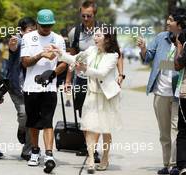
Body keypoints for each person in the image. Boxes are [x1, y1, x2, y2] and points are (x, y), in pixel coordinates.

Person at [51, 27, 122, 174]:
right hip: (92, 94)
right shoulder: (91, 50)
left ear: (107, 38)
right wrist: (61, 54)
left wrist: (84, 68)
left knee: (105, 129)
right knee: (89, 127)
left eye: (98, 35)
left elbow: (101, 73)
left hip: (106, 96)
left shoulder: (113, 55)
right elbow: (75, 58)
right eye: (94, 35)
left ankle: (105, 158)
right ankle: (90, 158)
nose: (95, 38)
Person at [66, 0, 125, 160]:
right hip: (82, 79)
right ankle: (89, 148)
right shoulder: (74, 32)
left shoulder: (105, 30)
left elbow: (118, 53)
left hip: (100, 79)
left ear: (95, 14)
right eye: (83, 15)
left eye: (89, 16)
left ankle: (95, 151)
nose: (85, 18)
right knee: (85, 115)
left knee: (100, 117)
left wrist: (121, 74)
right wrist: (68, 81)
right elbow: (71, 57)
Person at [137, 8, 186, 175]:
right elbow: (148, 57)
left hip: (177, 92)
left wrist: (164, 64)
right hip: (160, 91)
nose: (167, 22)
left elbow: (179, 65)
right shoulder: (160, 38)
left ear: (179, 23)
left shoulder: (184, 40)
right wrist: (143, 48)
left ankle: (174, 165)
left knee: (175, 130)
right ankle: (166, 164)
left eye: (170, 20)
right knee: (164, 132)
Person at [20, 9, 66, 173]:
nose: (47, 28)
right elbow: (25, 62)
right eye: (44, 25)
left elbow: (64, 62)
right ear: (37, 23)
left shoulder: (59, 39)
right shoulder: (27, 37)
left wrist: (53, 73)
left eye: (49, 25)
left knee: (47, 121)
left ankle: (49, 154)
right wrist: (41, 55)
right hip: (31, 87)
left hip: (50, 87)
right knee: (32, 122)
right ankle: (34, 151)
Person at [7, 16, 36, 161]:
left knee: (32, 119)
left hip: (33, 87)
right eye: (30, 30)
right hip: (16, 86)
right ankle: (21, 129)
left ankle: (27, 151)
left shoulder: (37, 41)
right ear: (21, 31)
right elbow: (13, 46)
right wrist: (12, 45)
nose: (33, 33)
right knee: (24, 115)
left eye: (34, 30)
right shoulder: (18, 40)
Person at [174, 29, 186, 175]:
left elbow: (176, 66)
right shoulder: (161, 40)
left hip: (183, 93)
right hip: (165, 91)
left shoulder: (182, 45)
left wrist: (179, 47)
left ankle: (182, 165)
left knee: (182, 130)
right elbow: (161, 65)